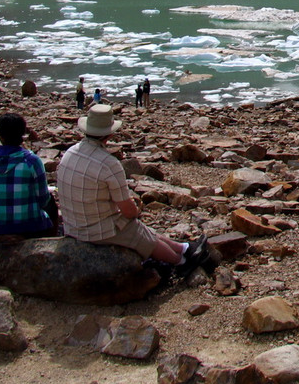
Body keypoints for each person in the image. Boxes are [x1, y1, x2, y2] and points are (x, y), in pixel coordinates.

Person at [56, 105, 206, 276]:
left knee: (137, 228)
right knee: (137, 232)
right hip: (94, 232)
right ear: (110, 134)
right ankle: (182, 262)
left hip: (72, 225)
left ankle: (183, 247)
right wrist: (135, 209)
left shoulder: (70, 153)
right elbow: (128, 212)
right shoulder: (108, 163)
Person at [0, 113, 55, 237]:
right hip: (27, 226)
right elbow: (43, 198)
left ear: (0, 135)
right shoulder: (31, 161)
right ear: (22, 134)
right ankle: (50, 240)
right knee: (52, 204)